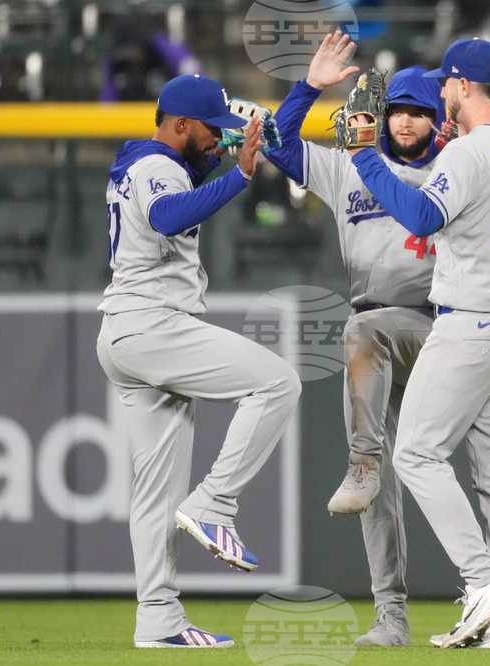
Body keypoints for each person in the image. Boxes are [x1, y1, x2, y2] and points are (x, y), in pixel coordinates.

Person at [345, 38, 490, 648]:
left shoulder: (466, 154)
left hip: (471, 325)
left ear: (462, 85)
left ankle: (483, 582)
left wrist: (364, 155)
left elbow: (422, 217)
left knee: (414, 455)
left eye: (446, 84)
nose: (440, 93)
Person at [96, 74, 303, 649]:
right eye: (213, 130)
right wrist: (238, 175)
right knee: (278, 384)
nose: (221, 139)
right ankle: (215, 503)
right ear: (180, 123)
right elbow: (168, 215)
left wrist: (300, 94)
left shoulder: (148, 161)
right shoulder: (159, 167)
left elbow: (191, 182)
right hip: (153, 326)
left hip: (124, 333)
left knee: (157, 493)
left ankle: (157, 620)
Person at [264, 30, 448, 647]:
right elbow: (278, 144)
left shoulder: (456, 168)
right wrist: (310, 86)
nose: (404, 122)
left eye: (419, 113)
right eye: (397, 110)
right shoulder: (349, 165)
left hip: (440, 327)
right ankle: (391, 617)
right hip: (377, 330)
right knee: (382, 490)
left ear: (437, 120)